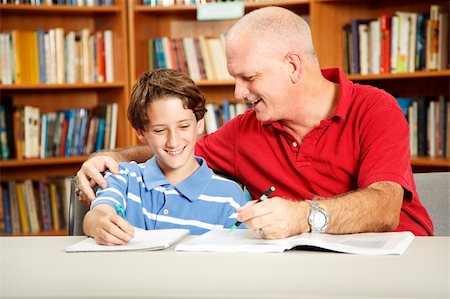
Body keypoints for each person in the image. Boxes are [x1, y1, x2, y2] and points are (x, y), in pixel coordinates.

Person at [77, 6, 433, 239]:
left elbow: (385, 205)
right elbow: (177, 150)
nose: (237, 92)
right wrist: (111, 157)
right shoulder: (245, 130)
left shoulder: (375, 108)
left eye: (248, 77)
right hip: (304, 270)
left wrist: (303, 216)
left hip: (396, 259)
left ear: (292, 66)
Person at [83, 69, 246, 245]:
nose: (173, 142)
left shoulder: (229, 195)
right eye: (160, 130)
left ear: (200, 124)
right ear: (141, 133)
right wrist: (99, 223)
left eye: (183, 126)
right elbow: (97, 214)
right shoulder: (122, 177)